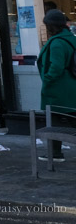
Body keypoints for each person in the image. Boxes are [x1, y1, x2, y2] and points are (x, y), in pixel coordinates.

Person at [37, 9, 76, 162]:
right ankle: (55, 153)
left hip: (59, 88)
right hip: (71, 85)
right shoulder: (71, 38)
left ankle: (55, 153)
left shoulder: (57, 42)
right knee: (68, 118)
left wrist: (47, 79)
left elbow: (56, 67)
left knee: (54, 120)